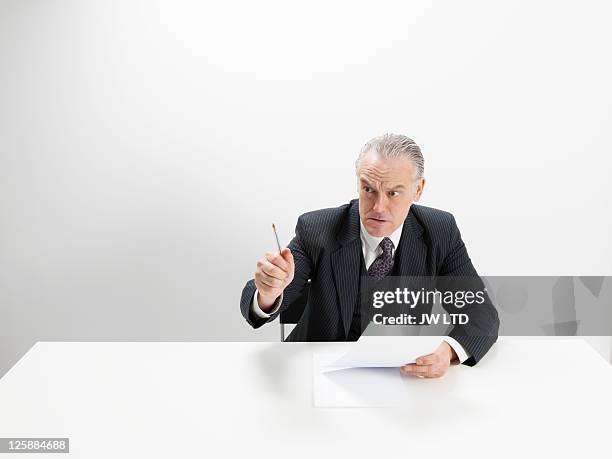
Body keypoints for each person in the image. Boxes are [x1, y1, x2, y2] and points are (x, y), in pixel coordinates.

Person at [240, 134, 499, 378]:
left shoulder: (439, 231)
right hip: (316, 371)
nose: (378, 207)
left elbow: (481, 314)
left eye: (393, 193)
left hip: (394, 373)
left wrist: (448, 352)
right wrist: (268, 293)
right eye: (368, 190)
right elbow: (264, 299)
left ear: (418, 190)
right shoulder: (318, 229)